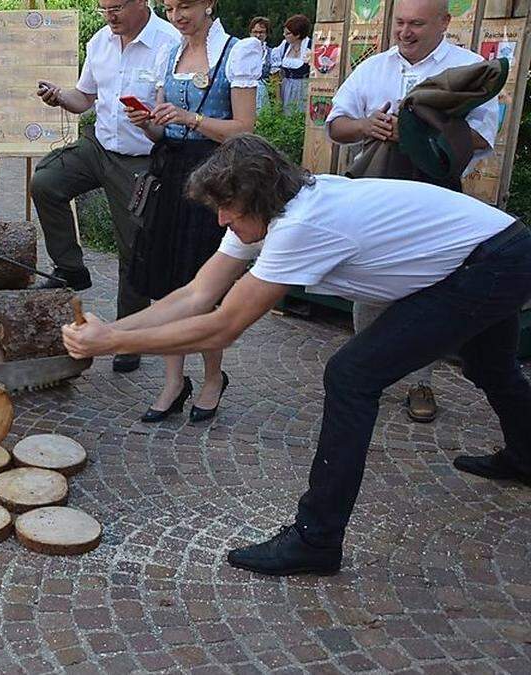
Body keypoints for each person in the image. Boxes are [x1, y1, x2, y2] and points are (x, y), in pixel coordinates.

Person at [62, 134, 531, 576]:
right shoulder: (266, 209)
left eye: (227, 208)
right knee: (491, 366)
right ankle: (526, 457)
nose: (221, 220)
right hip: (492, 249)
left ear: (258, 198)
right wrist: (110, 330)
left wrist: (113, 344)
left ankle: (317, 539)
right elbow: (196, 294)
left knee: (351, 376)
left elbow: (223, 326)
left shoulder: (301, 225)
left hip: (494, 261)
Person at [327, 0, 500, 424]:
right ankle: (367, 370)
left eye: (417, 24)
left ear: (444, 22)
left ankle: (420, 381)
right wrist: (369, 126)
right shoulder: (372, 67)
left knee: (428, 286)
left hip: (437, 197)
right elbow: (335, 124)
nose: (405, 32)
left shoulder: (470, 66)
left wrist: (426, 127)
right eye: (400, 22)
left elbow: (484, 136)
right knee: (370, 279)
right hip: (377, 194)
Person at [123, 0, 259, 423]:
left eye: (185, 5)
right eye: (169, 8)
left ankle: (213, 378)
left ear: (209, 3)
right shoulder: (169, 52)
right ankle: (172, 381)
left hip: (216, 179)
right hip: (171, 172)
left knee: (205, 286)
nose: (177, 16)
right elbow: (164, 129)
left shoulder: (238, 51)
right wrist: (145, 121)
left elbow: (245, 128)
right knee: (166, 282)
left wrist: (191, 117)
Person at [30, 0, 181, 375]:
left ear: (141, 3)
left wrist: (151, 119)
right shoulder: (99, 41)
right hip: (97, 147)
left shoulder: (171, 43)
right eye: (103, 9)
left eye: (116, 8)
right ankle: (71, 267)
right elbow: (84, 100)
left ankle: (128, 338)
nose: (109, 16)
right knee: (45, 182)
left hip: (141, 158)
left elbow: (175, 115)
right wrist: (59, 96)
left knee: (134, 247)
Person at [276, 14, 311, 114]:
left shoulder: (309, 47)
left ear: (298, 35)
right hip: (286, 87)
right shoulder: (284, 46)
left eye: (288, 33)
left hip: (303, 87)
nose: (284, 35)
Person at [247, 16, 271, 111]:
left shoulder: (270, 53)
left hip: (263, 93)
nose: (258, 35)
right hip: (245, 91)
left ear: (266, 34)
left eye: (261, 32)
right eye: (255, 32)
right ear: (250, 33)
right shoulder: (242, 51)